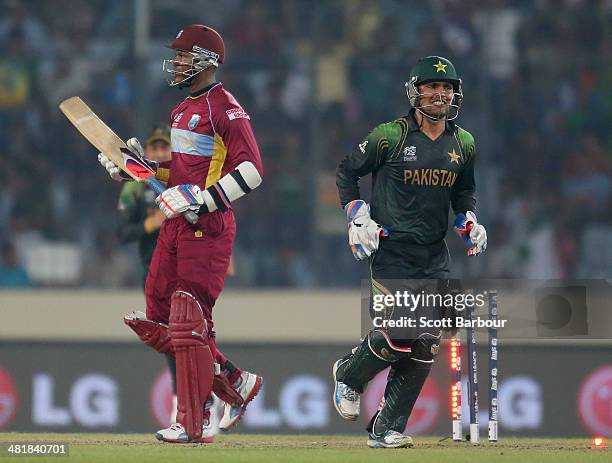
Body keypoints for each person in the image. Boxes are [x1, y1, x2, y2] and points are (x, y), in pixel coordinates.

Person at [97, 24, 263, 443]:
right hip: (176, 226)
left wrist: (203, 202)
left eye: (186, 55)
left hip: (206, 227)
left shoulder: (224, 106)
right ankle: (233, 381)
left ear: (207, 60)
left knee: (190, 319)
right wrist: (134, 170)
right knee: (159, 316)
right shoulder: (179, 110)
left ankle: (195, 422)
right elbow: (179, 175)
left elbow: (252, 172)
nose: (177, 62)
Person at [332, 56, 487, 448]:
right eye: (432, 86)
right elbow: (347, 172)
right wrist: (357, 217)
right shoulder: (390, 136)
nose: (440, 94)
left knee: (427, 338)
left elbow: (463, 191)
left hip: (433, 256)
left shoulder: (464, 143)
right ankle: (349, 375)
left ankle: (386, 429)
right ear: (415, 91)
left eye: (447, 87)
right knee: (401, 333)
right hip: (391, 252)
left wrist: (469, 219)